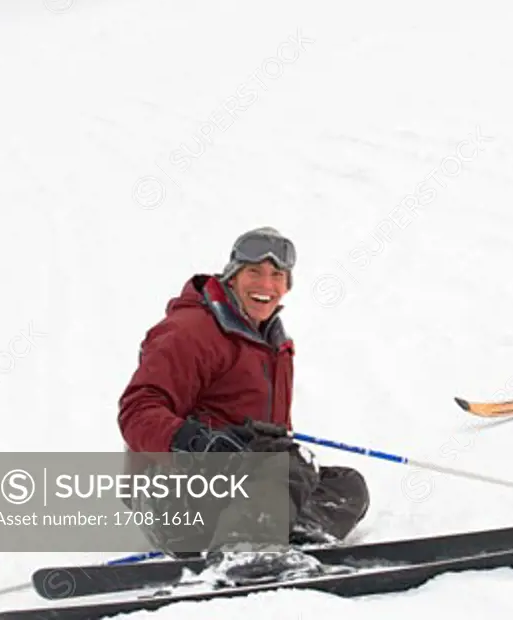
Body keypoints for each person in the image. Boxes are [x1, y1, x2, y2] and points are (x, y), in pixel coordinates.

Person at [117, 226, 370, 581]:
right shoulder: (190, 331)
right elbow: (137, 410)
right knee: (275, 464)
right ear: (233, 277)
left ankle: (290, 538)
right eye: (254, 272)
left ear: (287, 286)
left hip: (239, 492)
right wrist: (195, 440)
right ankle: (244, 549)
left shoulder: (271, 343)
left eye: (276, 276)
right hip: (173, 497)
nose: (265, 285)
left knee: (345, 486)